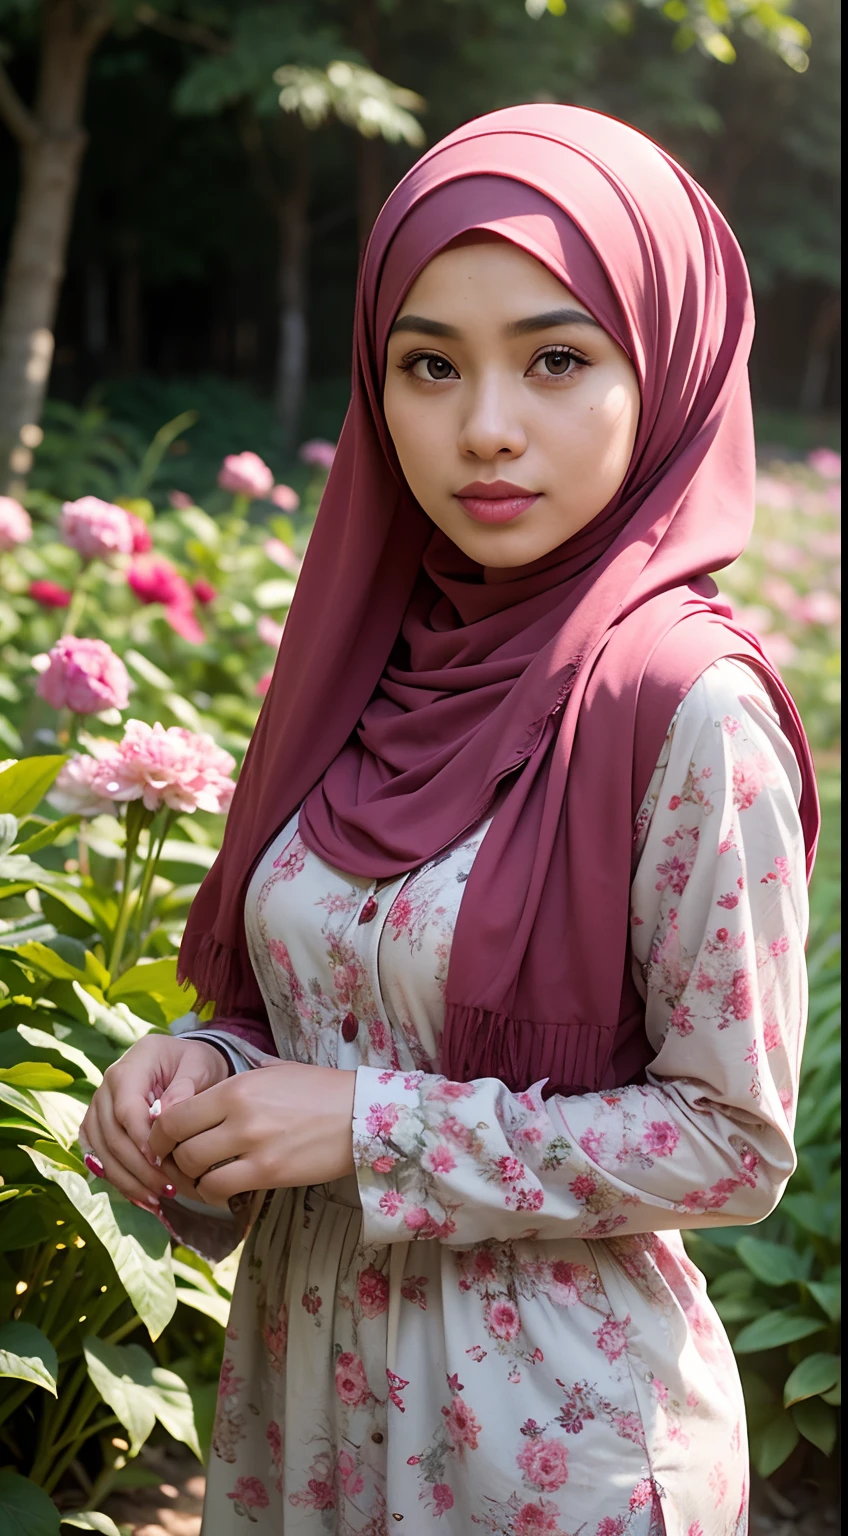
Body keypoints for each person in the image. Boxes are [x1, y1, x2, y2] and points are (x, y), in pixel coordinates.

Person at [79, 104, 820, 1534]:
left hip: (545, 1445)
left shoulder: (685, 711)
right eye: (429, 365)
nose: (485, 427)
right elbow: (332, 1008)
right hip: (302, 1412)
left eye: (556, 358)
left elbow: (732, 1143)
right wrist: (206, 1060)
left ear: (659, 364)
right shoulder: (373, 653)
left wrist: (368, 1131)